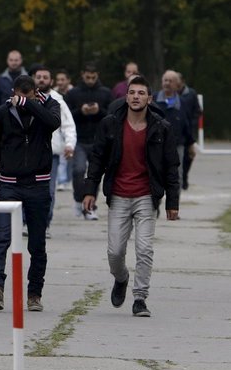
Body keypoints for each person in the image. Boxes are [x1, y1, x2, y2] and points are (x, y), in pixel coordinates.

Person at [83, 75, 180, 317]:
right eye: (132, 93)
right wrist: (89, 190)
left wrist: (172, 202)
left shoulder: (161, 127)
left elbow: (171, 167)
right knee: (115, 252)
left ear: (150, 98)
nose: (136, 97)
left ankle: (140, 299)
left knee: (145, 249)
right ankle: (122, 278)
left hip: (146, 196)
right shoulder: (110, 124)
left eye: (141, 93)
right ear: (126, 97)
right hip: (118, 195)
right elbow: (97, 159)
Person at [0, 74, 60, 313]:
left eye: (27, 97)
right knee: (2, 237)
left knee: (37, 243)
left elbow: (52, 123)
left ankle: (34, 293)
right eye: (19, 97)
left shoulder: (49, 105)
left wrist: (30, 105)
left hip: (38, 184)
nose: (22, 101)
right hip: (10, 183)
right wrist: (9, 162)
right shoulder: (3, 111)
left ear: (35, 93)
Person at [31, 64, 76, 238]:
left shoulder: (58, 101)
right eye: (38, 77)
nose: (41, 80)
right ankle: (27, 222)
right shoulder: (23, 99)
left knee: (48, 191)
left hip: (51, 155)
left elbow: (68, 125)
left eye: (45, 77)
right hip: (28, 154)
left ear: (51, 81)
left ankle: (44, 224)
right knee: (28, 190)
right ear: (33, 79)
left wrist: (70, 144)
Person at [65, 64, 114, 220]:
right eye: (88, 77)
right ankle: (79, 199)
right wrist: (81, 111)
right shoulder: (73, 93)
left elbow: (112, 116)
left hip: (98, 140)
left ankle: (90, 206)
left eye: (93, 77)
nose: (91, 80)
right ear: (82, 74)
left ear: (97, 75)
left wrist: (99, 111)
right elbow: (65, 116)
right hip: (78, 139)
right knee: (78, 171)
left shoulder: (106, 93)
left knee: (95, 174)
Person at [154, 70, 196, 192]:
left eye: (170, 81)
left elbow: (186, 125)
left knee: (177, 176)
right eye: (165, 80)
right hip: (157, 145)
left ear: (177, 85)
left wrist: (191, 144)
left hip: (177, 146)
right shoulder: (154, 99)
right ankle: (155, 207)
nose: (167, 83)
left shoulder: (182, 102)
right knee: (156, 176)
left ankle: (173, 207)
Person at [176, 72, 201, 190]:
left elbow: (198, 110)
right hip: (178, 130)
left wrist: (192, 121)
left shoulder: (191, 94)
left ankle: (184, 175)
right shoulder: (171, 94)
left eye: (177, 80)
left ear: (182, 81)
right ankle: (179, 177)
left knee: (189, 155)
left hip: (189, 129)